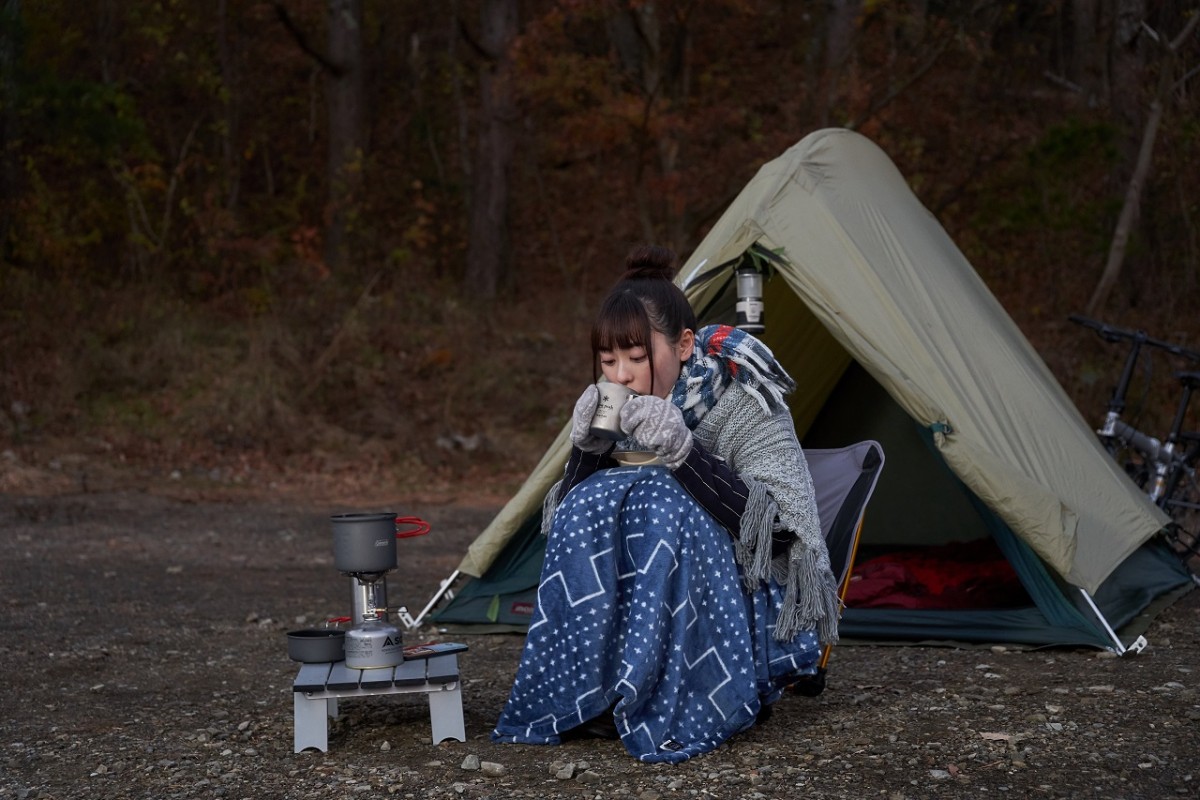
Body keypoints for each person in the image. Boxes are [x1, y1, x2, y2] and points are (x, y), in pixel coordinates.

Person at [491, 244, 839, 763]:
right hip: (651, 586)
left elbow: (784, 532)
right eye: (608, 361)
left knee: (658, 494)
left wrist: (685, 454)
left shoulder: (745, 401)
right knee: (592, 499)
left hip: (741, 593)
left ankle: (696, 695)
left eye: (636, 357)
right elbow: (570, 523)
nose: (622, 376)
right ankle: (596, 691)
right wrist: (587, 454)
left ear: (683, 344)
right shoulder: (620, 408)